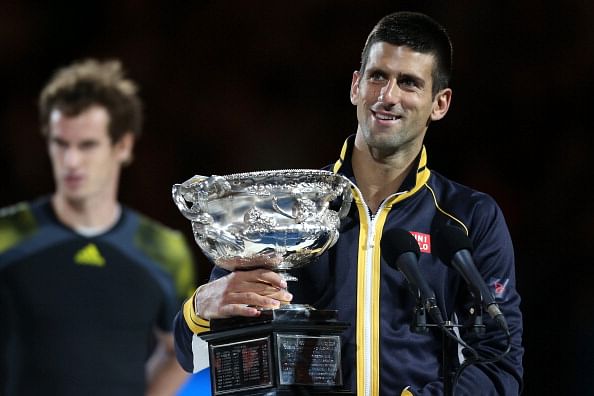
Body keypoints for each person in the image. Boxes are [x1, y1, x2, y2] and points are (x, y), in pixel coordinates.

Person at [172, 11, 523, 395]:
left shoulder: (469, 219)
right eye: (378, 77)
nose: (388, 97)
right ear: (356, 86)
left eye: (408, 83)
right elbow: (194, 357)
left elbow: (499, 365)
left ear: (440, 103)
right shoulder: (287, 209)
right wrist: (200, 309)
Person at [0, 59, 197, 395]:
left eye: (87, 145)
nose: (71, 161)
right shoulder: (7, 233)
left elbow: (178, 350)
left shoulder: (164, 249)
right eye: (61, 144)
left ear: (123, 146)